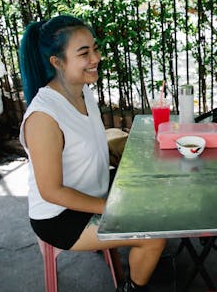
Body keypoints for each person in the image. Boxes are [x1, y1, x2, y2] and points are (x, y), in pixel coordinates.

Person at [18, 15, 166, 292]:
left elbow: (87, 144)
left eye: (95, 49)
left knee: (158, 191)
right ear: (57, 62)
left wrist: (117, 156)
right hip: (60, 216)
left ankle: (145, 260)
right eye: (84, 53)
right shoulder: (43, 117)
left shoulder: (82, 92)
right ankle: (133, 284)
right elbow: (51, 191)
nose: (95, 58)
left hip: (94, 191)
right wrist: (113, 207)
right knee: (153, 236)